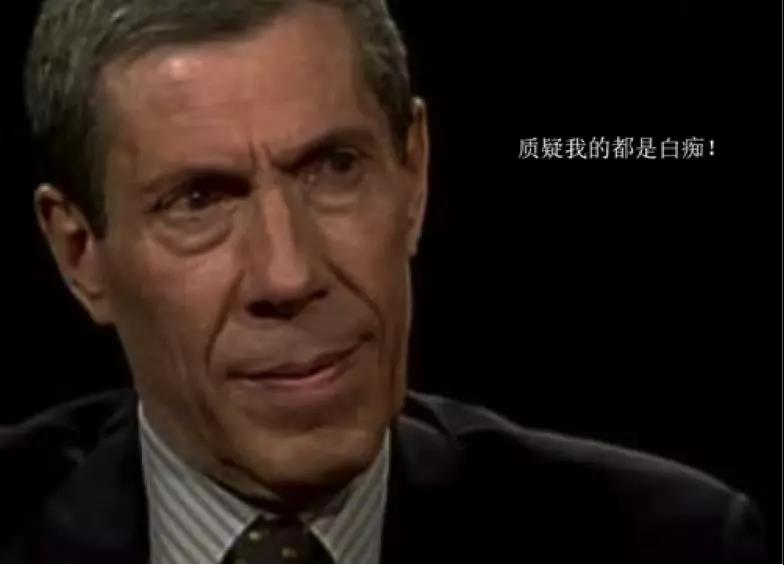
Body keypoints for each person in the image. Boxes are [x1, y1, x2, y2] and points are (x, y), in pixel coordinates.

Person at [1, 0, 767, 562]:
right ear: (79, 252)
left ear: (414, 175)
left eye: (334, 167)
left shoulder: (673, 546)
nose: (290, 273)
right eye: (199, 199)